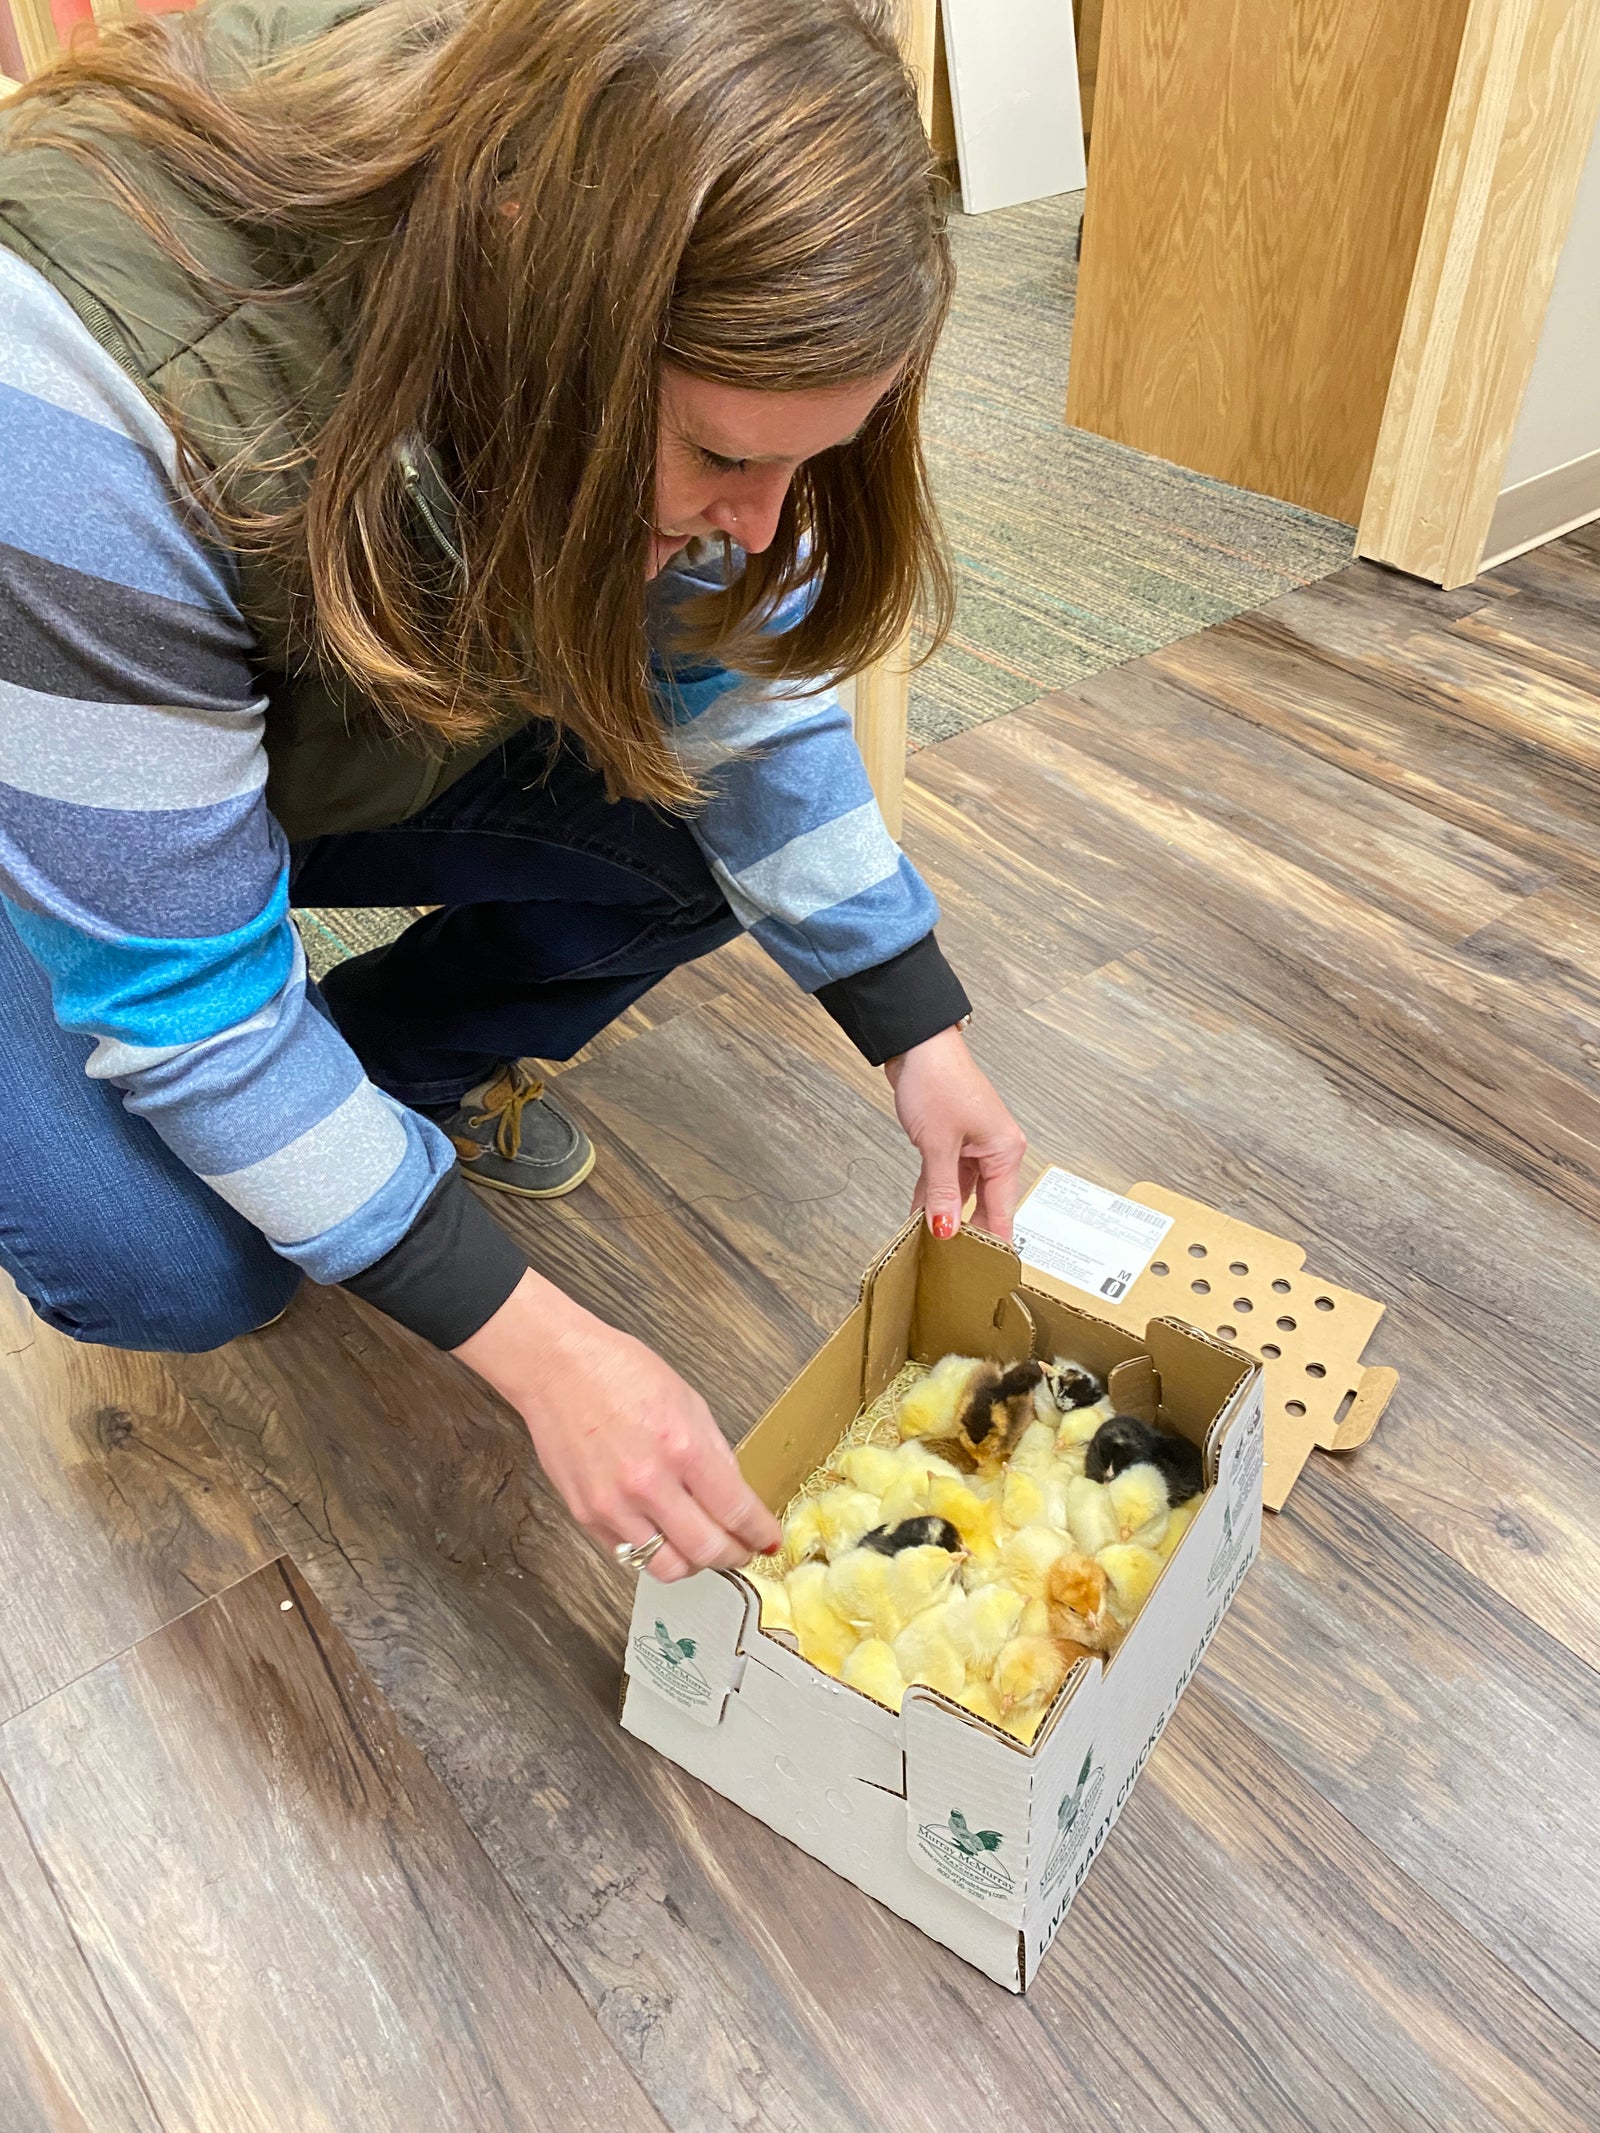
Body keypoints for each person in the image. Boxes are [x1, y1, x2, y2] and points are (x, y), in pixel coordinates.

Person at [0, 0, 1027, 1583]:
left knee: (699, 846)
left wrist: (917, 1024)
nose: (761, 525)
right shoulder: (77, 408)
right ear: (549, 297)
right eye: (716, 460)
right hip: (54, 744)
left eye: (805, 467)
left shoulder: (643, 287)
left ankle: (363, 1087)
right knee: (186, 1263)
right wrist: (546, 1351)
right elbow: (186, 997)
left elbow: (733, 673)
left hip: (273, 698)